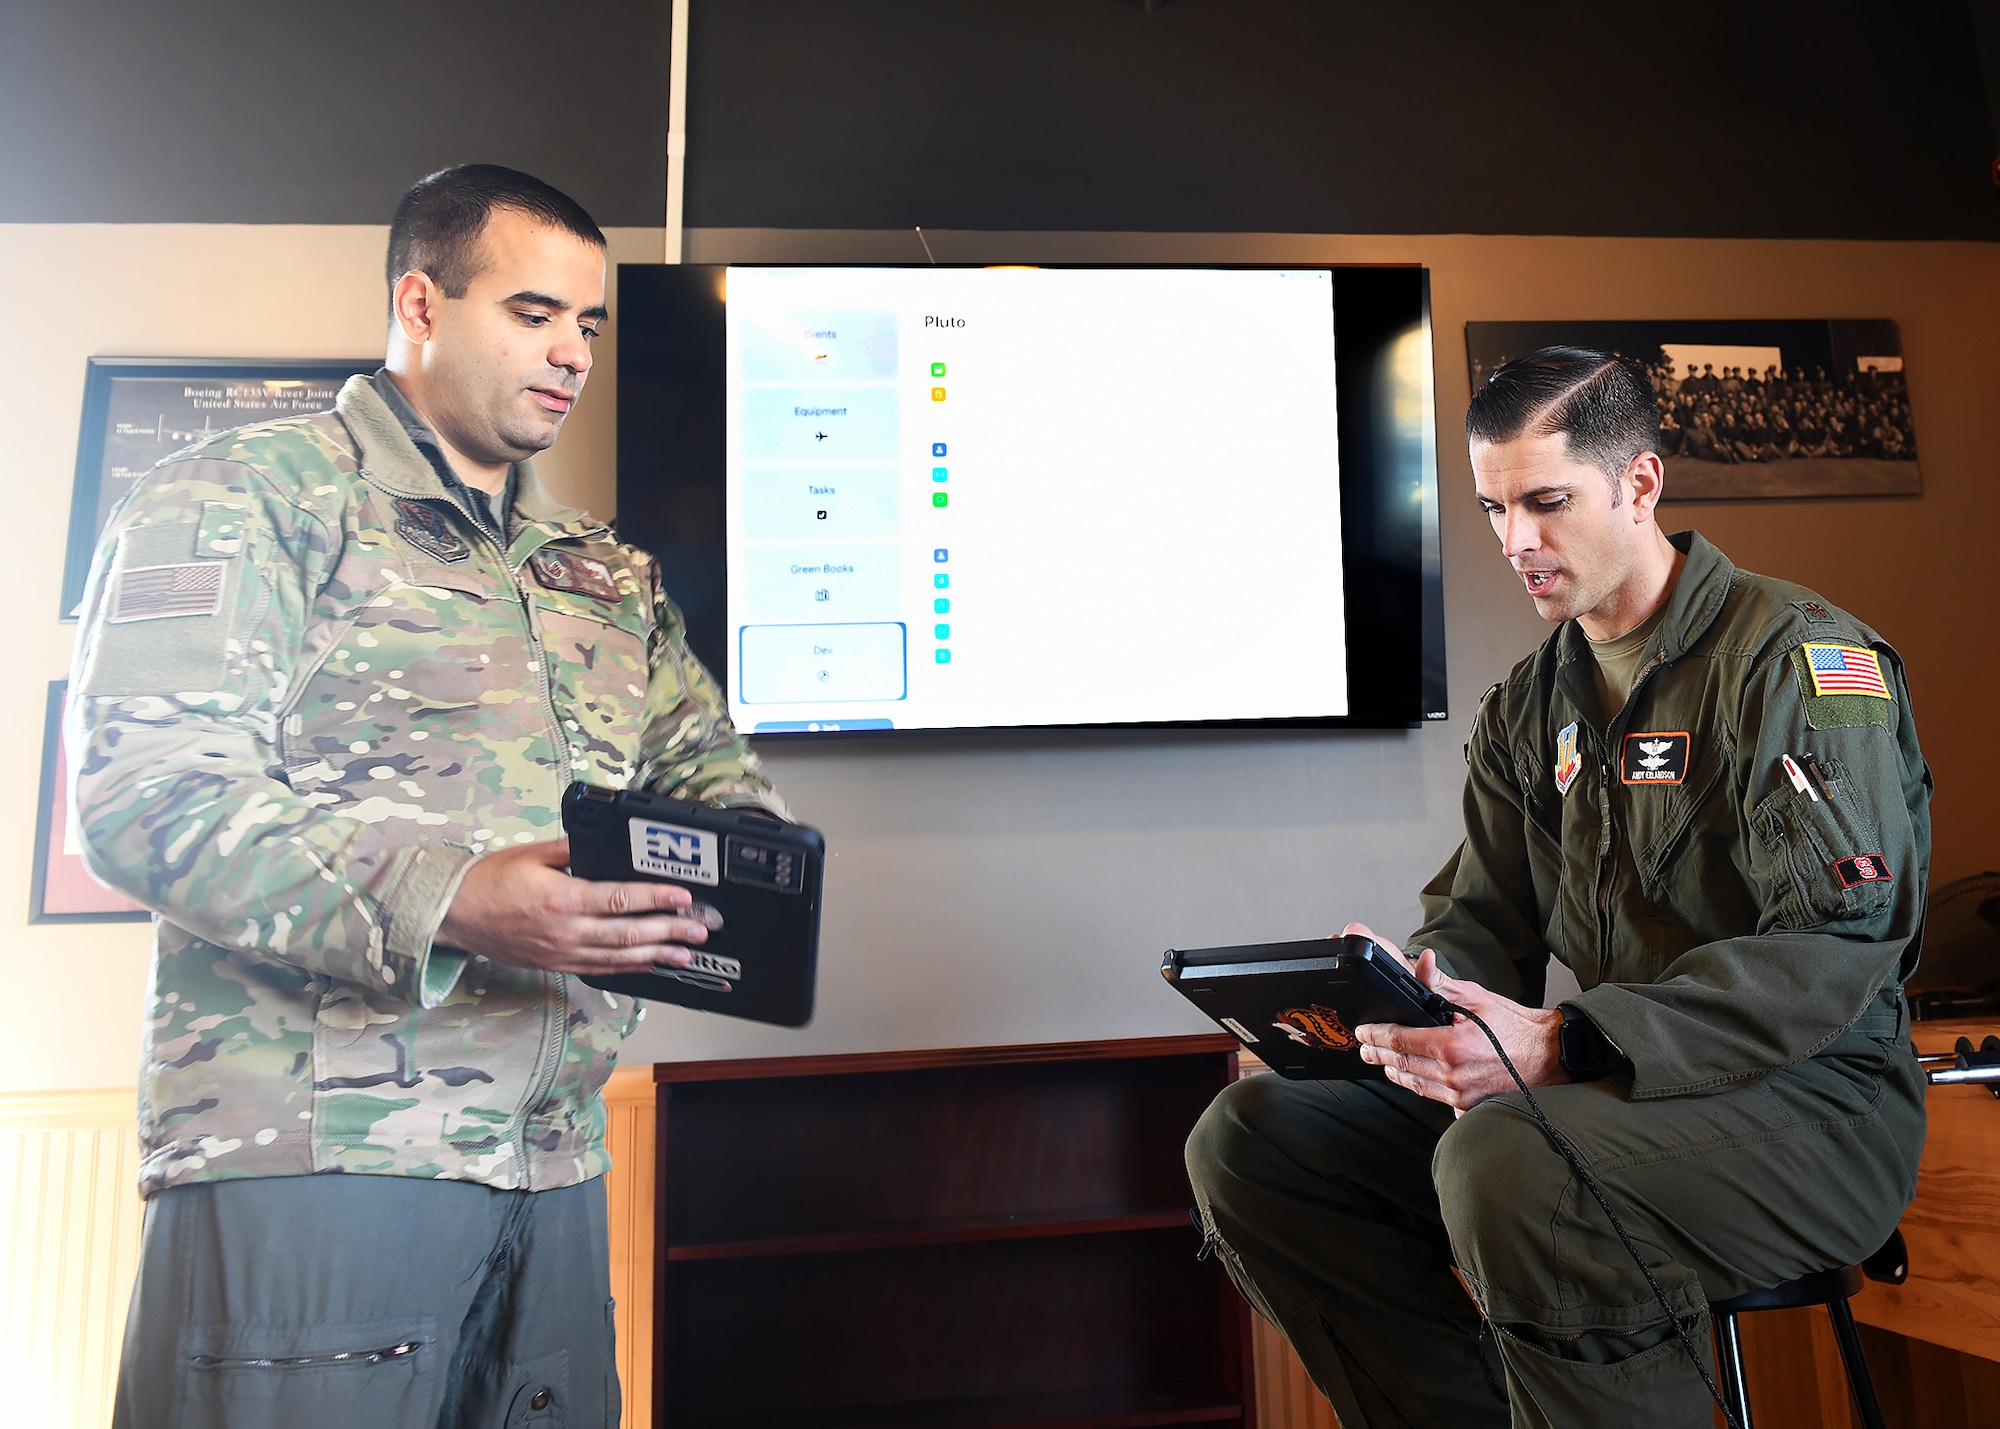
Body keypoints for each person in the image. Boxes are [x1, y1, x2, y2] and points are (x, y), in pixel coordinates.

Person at [70, 165, 785, 1428]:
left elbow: (722, 793)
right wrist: (456, 899)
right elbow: (149, 798)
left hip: (555, 1160)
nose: (570, 353)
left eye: (588, 325)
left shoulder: (604, 574)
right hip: (315, 1153)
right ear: (420, 301)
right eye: (531, 314)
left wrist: (744, 880)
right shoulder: (245, 495)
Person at [1185, 346, 1929, 1428]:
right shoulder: (1530, 705)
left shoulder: (1796, 663)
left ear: (1638, 483)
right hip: (1602, 1095)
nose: (1514, 543)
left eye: (1544, 502)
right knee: (1250, 1140)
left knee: (1512, 1164)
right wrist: (1407, 1003)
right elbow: (1482, 918)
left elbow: (1833, 949)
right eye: (1492, 508)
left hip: (1818, 1111)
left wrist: (1564, 1040)